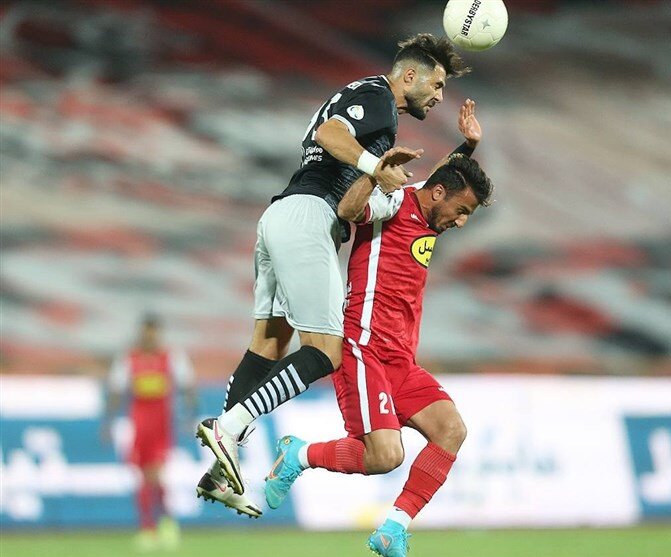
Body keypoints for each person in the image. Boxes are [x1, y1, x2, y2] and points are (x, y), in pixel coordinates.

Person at [195, 33, 470, 501]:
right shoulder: (379, 98)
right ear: (409, 76)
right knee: (326, 351)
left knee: (269, 343)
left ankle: (222, 466)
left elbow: (425, 195)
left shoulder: (368, 99)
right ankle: (229, 426)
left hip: (281, 214)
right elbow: (330, 134)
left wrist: (464, 149)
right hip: (310, 217)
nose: (440, 96)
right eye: (438, 84)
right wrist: (375, 166)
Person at [261, 101, 492, 557]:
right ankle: (298, 454)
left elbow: (445, 177)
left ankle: (393, 530)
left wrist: (469, 146)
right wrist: (374, 172)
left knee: (451, 430)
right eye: (462, 210)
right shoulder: (394, 201)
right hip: (363, 347)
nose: (461, 222)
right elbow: (349, 209)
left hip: (401, 359)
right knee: (385, 456)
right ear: (439, 195)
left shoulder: (432, 207)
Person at [103, 314, 198, 551]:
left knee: (154, 474)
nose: (150, 336)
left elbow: (188, 385)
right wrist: (109, 422)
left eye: (153, 331)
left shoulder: (171, 357)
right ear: (141, 332)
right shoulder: (129, 358)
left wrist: (190, 415)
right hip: (138, 425)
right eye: (146, 331)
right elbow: (116, 390)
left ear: (158, 333)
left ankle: (157, 525)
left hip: (162, 425)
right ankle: (156, 526)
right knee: (142, 476)